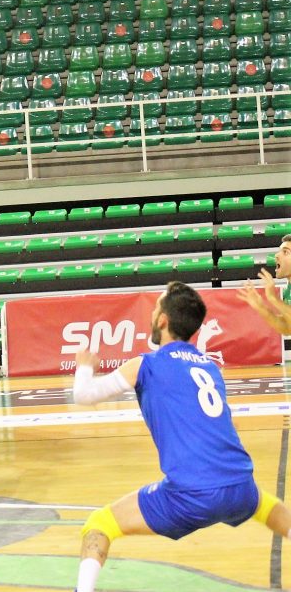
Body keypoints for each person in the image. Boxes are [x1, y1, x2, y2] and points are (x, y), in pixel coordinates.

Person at [69, 281, 291, 592]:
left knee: (99, 524)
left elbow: (83, 394)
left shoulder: (147, 364)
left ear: (163, 320)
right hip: (241, 484)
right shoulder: (210, 367)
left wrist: (83, 367)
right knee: (270, 508)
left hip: (191, 494)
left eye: (157, 306)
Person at [238, 234, 291, 335]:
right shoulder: (288, 289)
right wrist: (260, 306)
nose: (276, 255)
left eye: (285, 252)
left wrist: (273, 298)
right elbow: (287, 329)